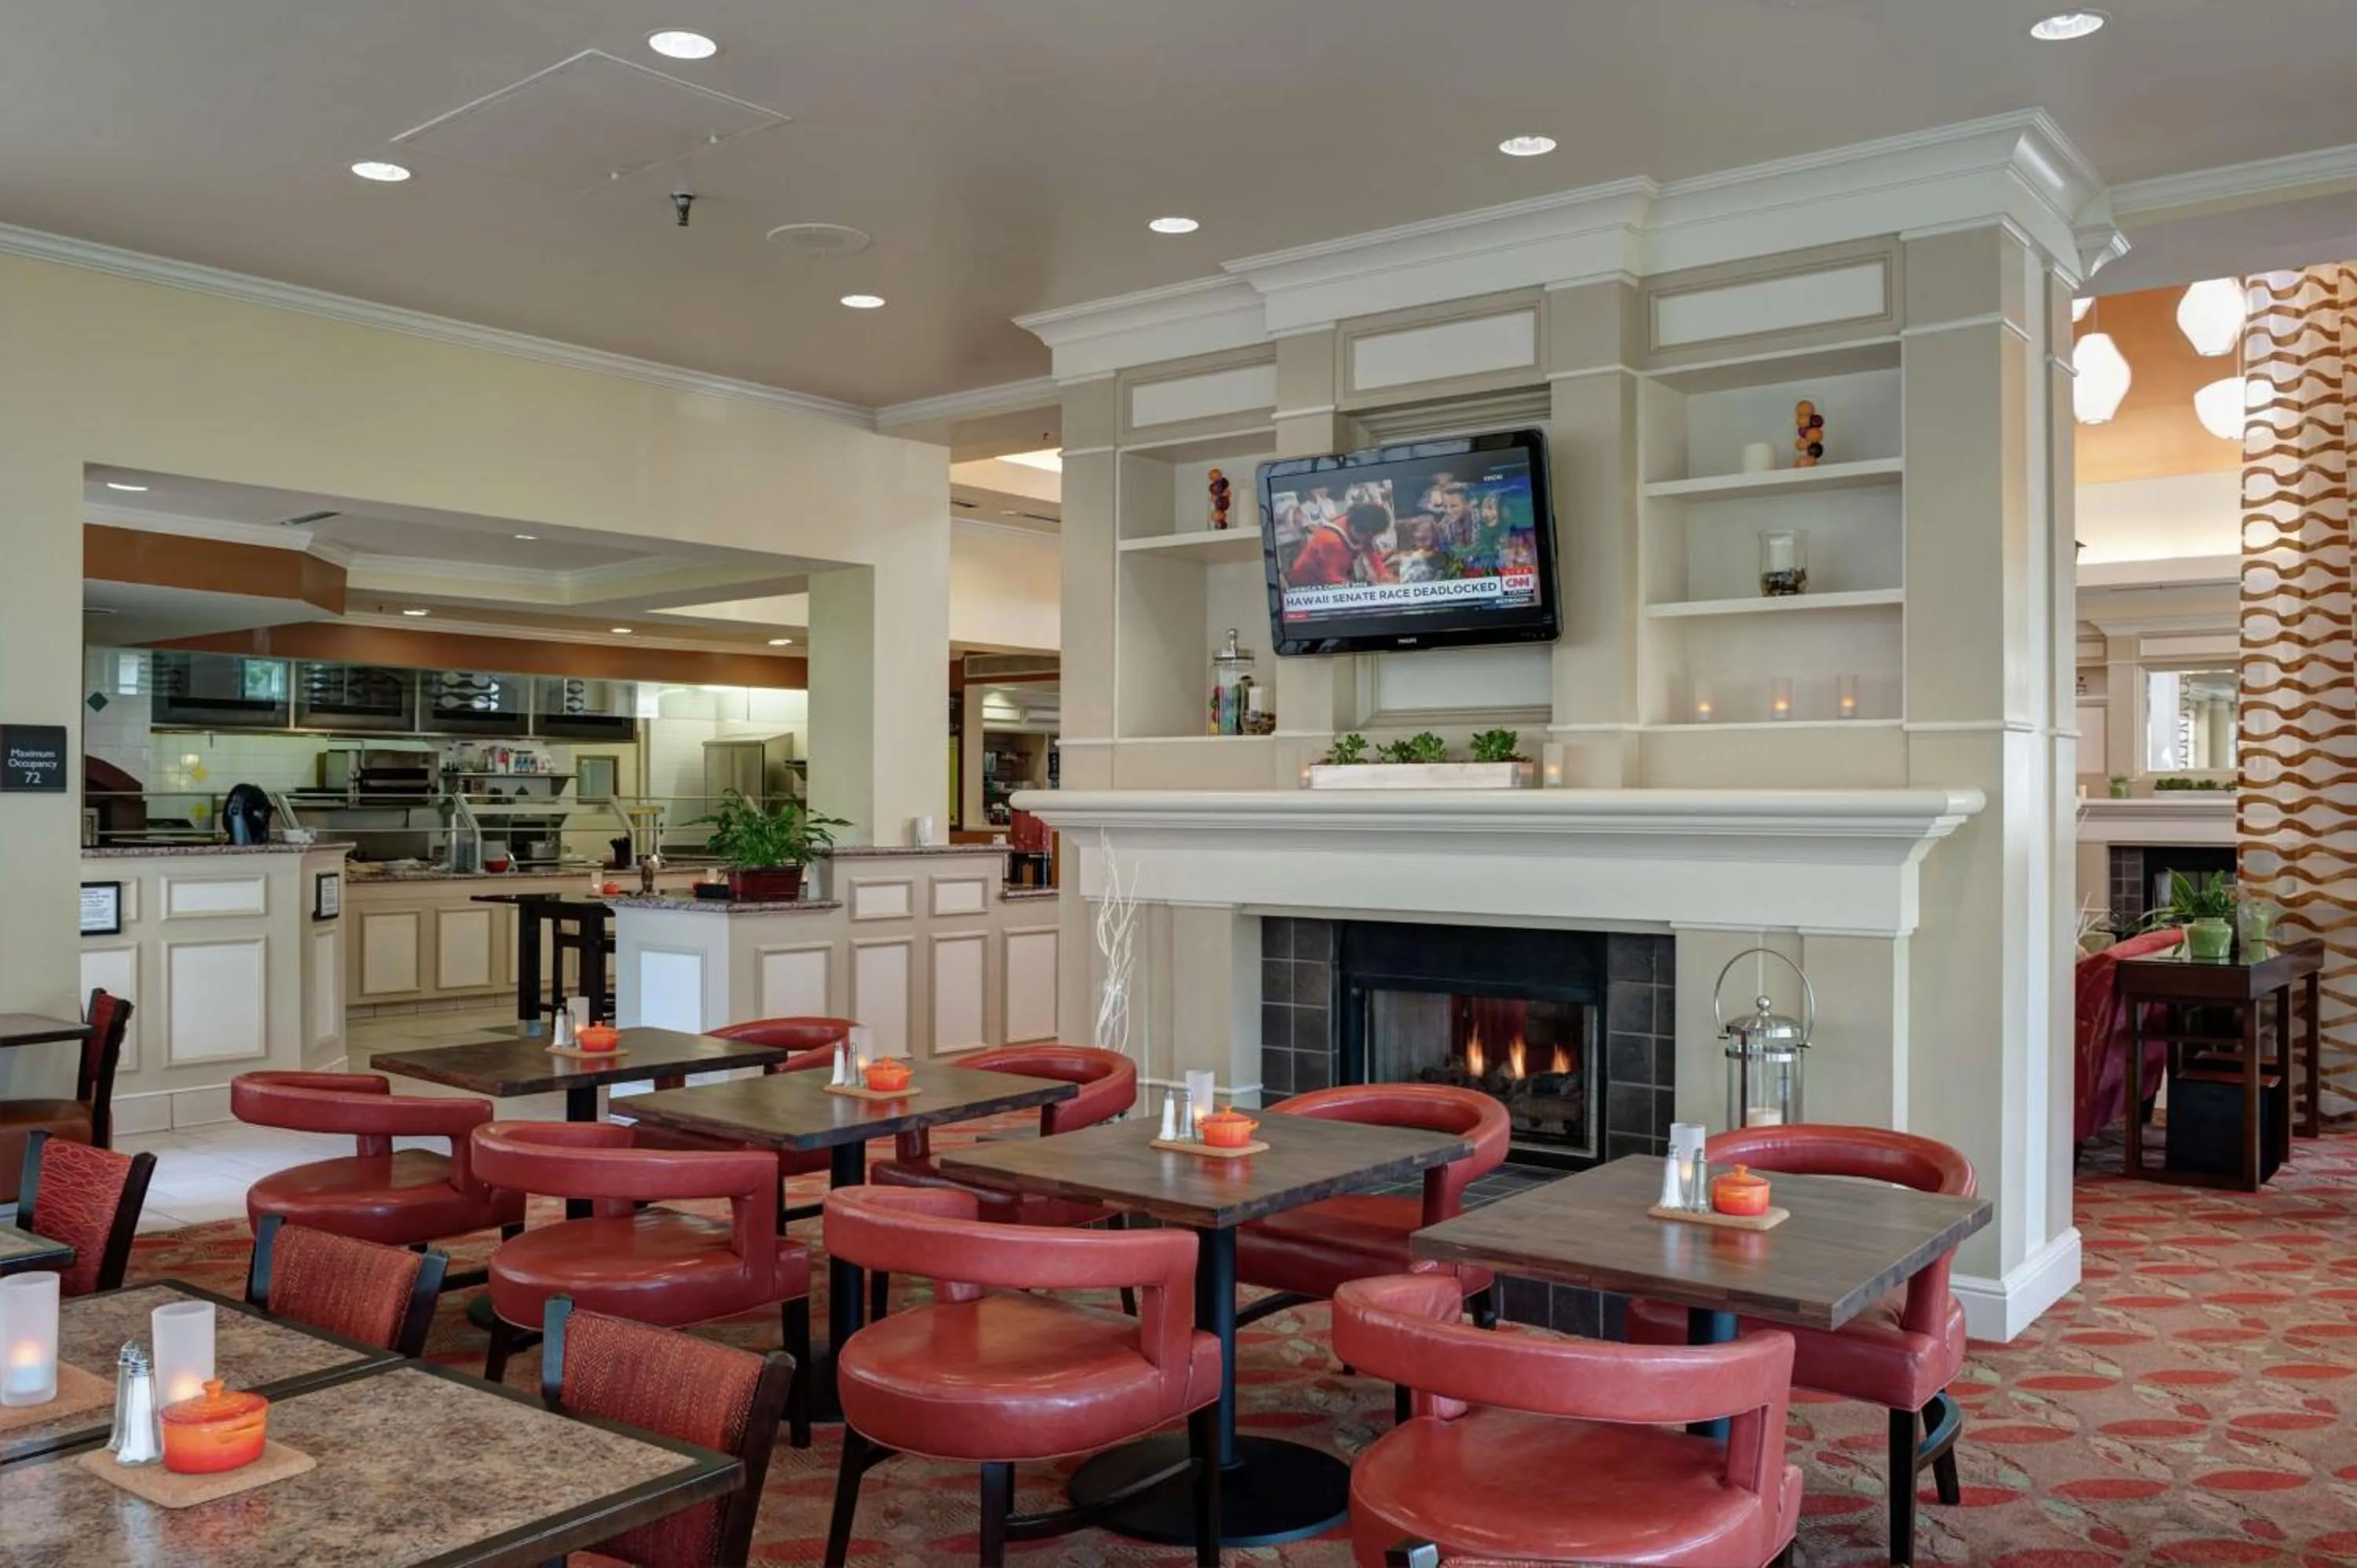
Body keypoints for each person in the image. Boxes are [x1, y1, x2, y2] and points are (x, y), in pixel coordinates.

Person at [1289, 501, 1395, 586]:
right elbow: (1330, 577)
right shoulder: (1331, 541)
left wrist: (1382, 573)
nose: (1369, 538)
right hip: (1307, 581)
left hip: (1336, 574)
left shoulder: (1358, 524)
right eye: (1368, 535)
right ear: (1355, 528)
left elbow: (1370, 550)